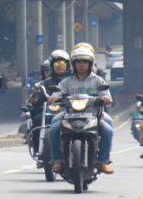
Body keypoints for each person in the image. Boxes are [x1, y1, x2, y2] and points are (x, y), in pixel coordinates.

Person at [48, 43, 115, 174]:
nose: (81, 65)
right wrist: (54, 97)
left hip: (93, 115)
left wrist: (106, 98)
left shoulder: (98, 80)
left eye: (85, 62)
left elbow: (106, 94)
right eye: (78, 62)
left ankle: (103, 160)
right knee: (53, 129)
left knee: (108, 129)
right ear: (73, 64)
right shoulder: (67, 81)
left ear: (90, 64)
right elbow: (57, 92)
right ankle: (58, 160)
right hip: (69, 114)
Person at [27, 49, 71, 156]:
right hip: (52, 110)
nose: (59, 66)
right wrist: (35, 98)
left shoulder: (73, 80)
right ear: (52, 66)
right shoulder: (45, 83)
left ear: (67, 64)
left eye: (62, 63)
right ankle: (39, 150)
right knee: (38, 119)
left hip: (71, 110)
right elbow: (37, 99)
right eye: (56, 64)